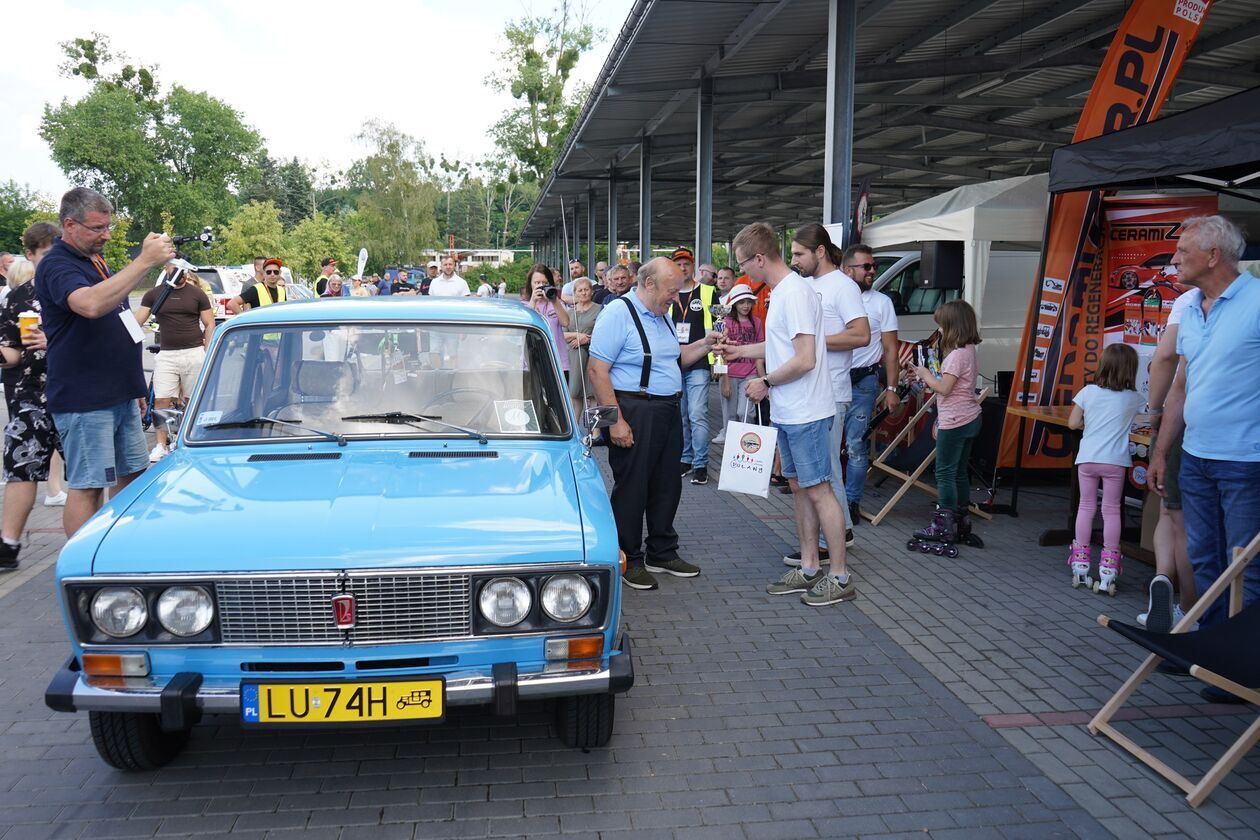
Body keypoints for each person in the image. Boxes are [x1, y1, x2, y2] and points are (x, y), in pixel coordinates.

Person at [719, 223, 856, 607]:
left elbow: (806, 359)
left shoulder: (793, 293)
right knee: (800, 488)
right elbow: (782, 345)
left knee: (819, 490)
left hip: (806, 410)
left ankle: (840, 574)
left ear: (760, 258)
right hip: (792, 409)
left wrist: (764, 379)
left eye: (744, 263)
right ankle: (810, 566)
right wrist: (741, 353)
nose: (744, 271)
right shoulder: (785, 292)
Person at [1148, 215, 1260, 667]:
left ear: (1213, 256)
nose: (1173, 260)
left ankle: (1243, 663)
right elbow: (1180, 386)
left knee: (1245, 567)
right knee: (1205, 560)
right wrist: (1160, 451)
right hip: (1195, 457)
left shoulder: (1256, 301)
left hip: (1246, 461)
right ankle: (1215, 654)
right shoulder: (1190, 308)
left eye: (1182, 252)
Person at [35, 187, 176, 537]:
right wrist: (143, 261)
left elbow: (118, 320)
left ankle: (121, 554)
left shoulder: (92, 260)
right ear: (69, 225)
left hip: (119, 394)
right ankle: (85, 570)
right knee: (89, 485)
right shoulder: (57, 264)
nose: (106, 235)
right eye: (98, 228)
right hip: (85, 398)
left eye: (107, 226)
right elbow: (90, 305)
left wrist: (133, 387)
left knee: (132, 477)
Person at [588, 257, 718, 591]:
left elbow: (675, 358)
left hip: (667, 409)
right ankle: (628, 556)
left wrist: (705, 345)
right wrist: (614, 422)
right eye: (671, 292)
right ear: (648, 284)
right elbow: (596, 370)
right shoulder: (618, 313)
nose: (675, 298)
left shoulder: (661, 317)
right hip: (634, 408)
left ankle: (661, 551)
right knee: (633, 487)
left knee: (666, 484)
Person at [790, 223, 869, 555]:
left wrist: (815, 343)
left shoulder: (843, 287)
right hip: (811, 391)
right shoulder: (807, 285)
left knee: (826, 470)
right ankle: (839, 533)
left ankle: (830, 542)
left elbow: (861, 335)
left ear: (820, 251)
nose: (793, 260)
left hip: (834, 392)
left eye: (798, 254)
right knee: (821, 470)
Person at [0, 248, 63, 570]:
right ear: (31, 254)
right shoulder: (18, 297)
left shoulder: (76, 286)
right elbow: (11, 353)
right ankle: (8, 545)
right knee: (19, 464)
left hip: (75, 393)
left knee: (87, 475)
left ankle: (91, 546)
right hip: (29, 393)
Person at [1139, 289, 1197, 632]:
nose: (1174, 260)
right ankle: (1191, 609)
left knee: (1171, 513)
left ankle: (1167, 584)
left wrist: (1155, 411)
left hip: (1183, 421)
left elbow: (1164, 358)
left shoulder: (1187, 300)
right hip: (1227, 433)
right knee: (1188, 522)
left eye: (1182, 251)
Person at [1066, 344, 1144, 595]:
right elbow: (1146, 421)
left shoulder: (1087, 392)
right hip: (1116, 461)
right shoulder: (1134, 399)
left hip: (1088, 458)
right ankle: (1109, 567)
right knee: (1111, 511)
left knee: (1086, 507)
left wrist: (1090, 427)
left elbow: (1072, 423)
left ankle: (1080, 561)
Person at [906, 300, 983, 549]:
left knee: (945, 473)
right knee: (959, 472)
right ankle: (961, 520)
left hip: (955, 420)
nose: (938, 331)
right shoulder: (969, 350)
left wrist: (925, 374)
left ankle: (943, 523)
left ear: (952, 327)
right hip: (971, 417)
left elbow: (944, 388)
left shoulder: (956, 356)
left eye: (940, 326)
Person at [842, 243, 901, 522]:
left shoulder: (882, 302)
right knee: (829, 444)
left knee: (856, 444)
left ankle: (851, 502)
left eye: (873, 266)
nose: (872, 271)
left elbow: (891, 350)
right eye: (866, 266)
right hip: (832, 380)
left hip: (864, 381)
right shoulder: (832, 297)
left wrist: (891, 389)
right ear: (847, 269)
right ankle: (830, 502)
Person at [136, 265, 214, 461]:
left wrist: (207, 347)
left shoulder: (197, 293)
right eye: (174, 266)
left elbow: (209, 322)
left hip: (193, 351)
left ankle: (187, 438)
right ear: (166, 267)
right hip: (167, 353)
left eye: (182, 267)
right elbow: (138, 320)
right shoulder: (154, 294)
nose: (179, 270)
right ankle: (161, 444)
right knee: (162, 399)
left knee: (192, 399)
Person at [669, 246, 717, 485]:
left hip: (699, 360)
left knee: (697, 414)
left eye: (686, 263)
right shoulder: (669, 293)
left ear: (693, 265)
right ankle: (685, 458)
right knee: (682, 415)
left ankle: (700, 464)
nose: (682, 267)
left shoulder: (708, 292)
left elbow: (719, 327)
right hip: (674, 363)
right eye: (678, 264)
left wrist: (719, 363)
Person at [714, 284, 764, 433]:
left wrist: (763, 379)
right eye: (742, 302)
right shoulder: (724, 322)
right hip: (729, 374)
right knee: (729, 415)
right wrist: (725, 381)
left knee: (745, 412)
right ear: (734, 304)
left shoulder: (757, 322)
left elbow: (761, 352)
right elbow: (720, 353)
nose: (746, 306)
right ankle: (730, 449)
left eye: (749, 302)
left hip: (750, 374)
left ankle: (746, 444)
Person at [564, 277, 602, 417]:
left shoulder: (599, 310)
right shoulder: (569, 313)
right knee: (575, 394)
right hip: (574, 357)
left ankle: (595, 434)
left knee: (593, 395)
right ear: (575, 293)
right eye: (580, 290)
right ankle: (576, 433)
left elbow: (604, 334)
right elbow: (562, 335)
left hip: (593, 355)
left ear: (591, 291)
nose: (584, 293)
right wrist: (579, 335)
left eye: (586, 289)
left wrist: (586, 339)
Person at [523, 265, 570, 377]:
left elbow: (566, 322)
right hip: (532, 360)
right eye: (537, 283)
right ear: (530, 284)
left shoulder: (556, 303)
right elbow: (525, 326)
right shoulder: (524, 305)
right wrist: (533, 302)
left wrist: (554, 300)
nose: (540, 286)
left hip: (557, 360)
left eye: (544, 283)